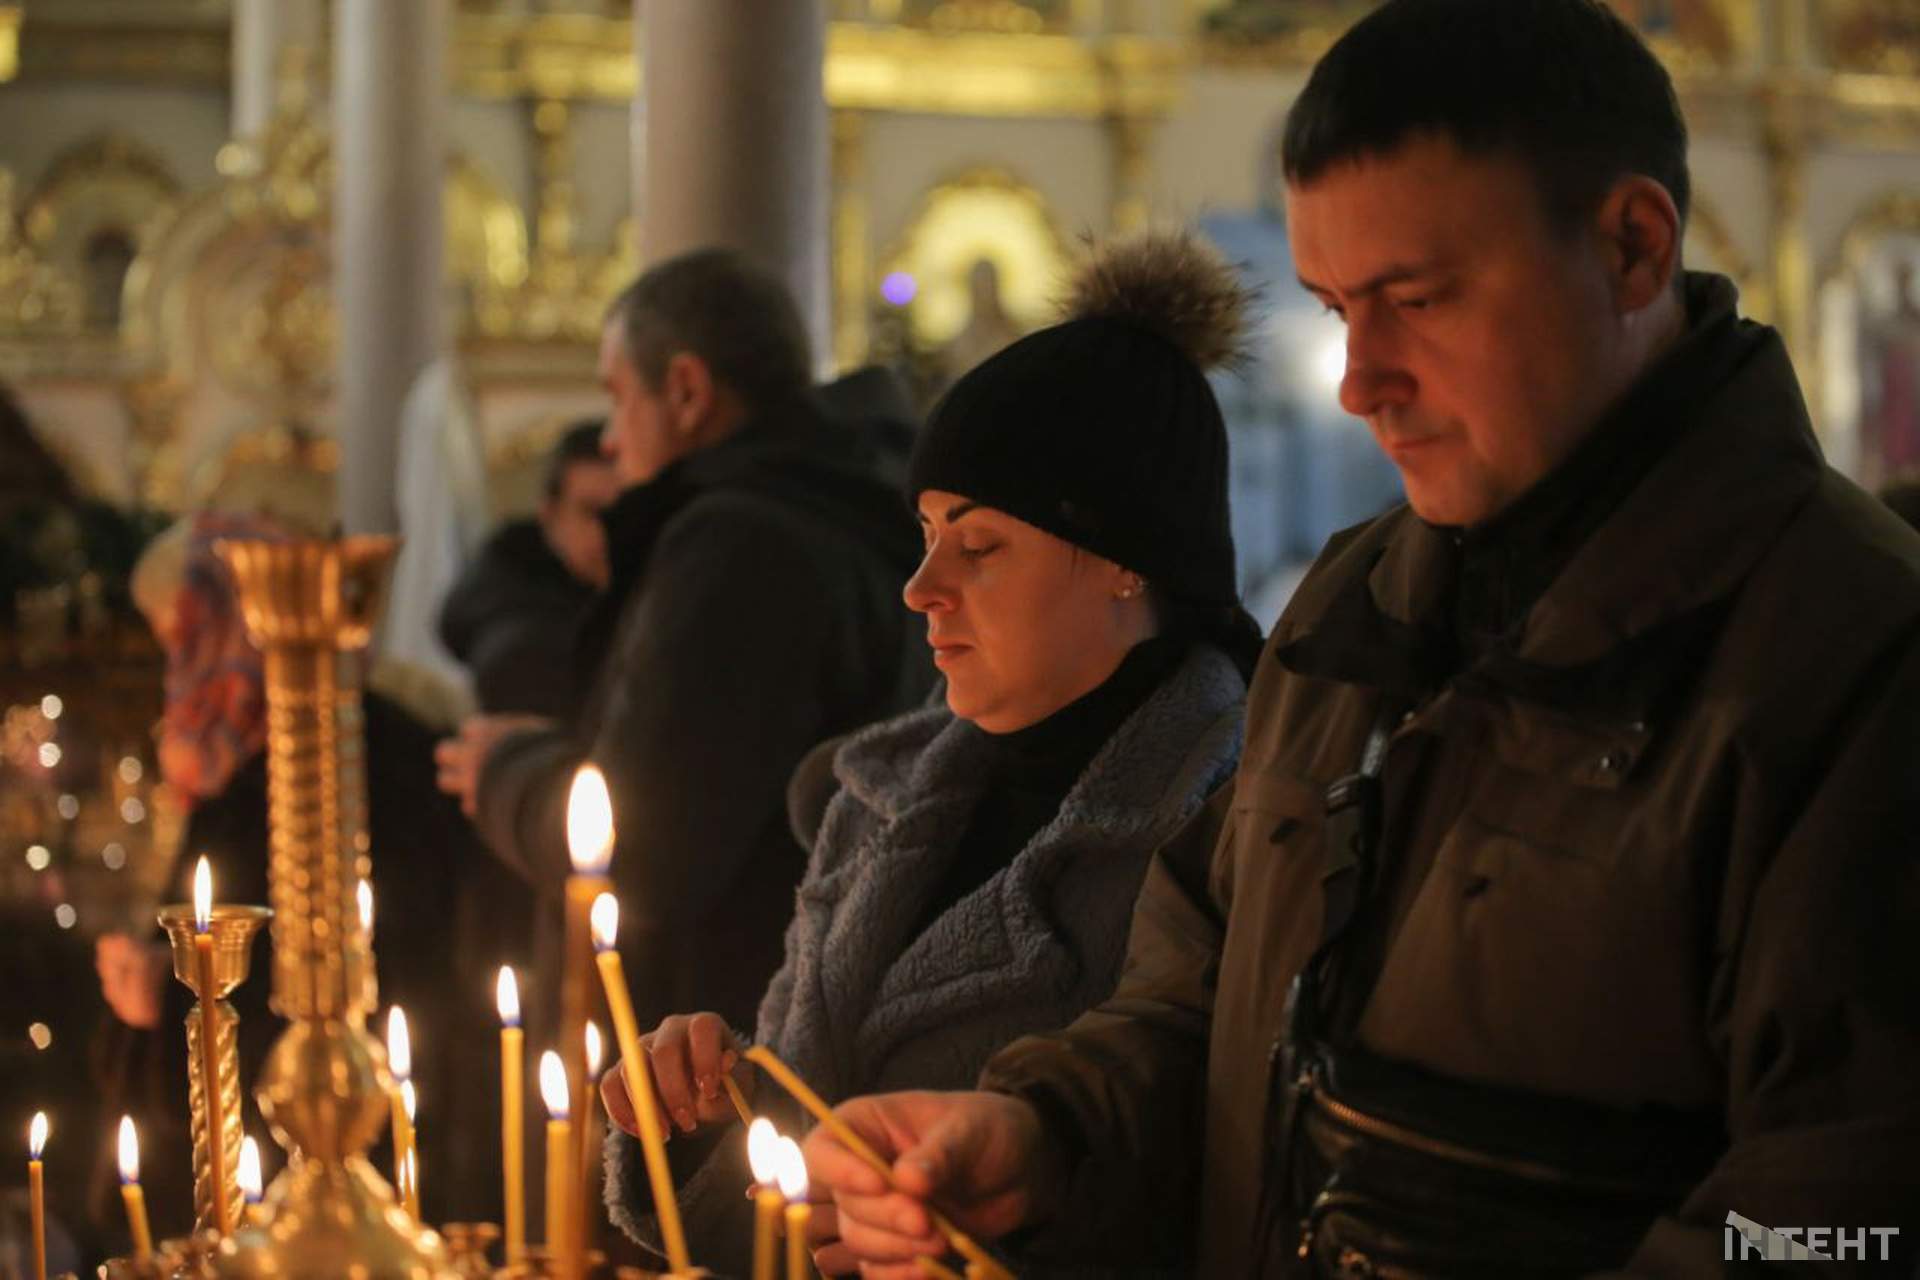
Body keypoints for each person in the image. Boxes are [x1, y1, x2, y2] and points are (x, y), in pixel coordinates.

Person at [803, 3, 1920, 1276]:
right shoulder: (1355, 601)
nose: (1358, 379)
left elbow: (1844, 1212)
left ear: (1630, 249)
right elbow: (1203, 989)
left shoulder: (1855, 656)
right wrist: (1043, 1128)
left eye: (1418, 299)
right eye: (1339, 305)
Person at [596, 231, 1262, 1277]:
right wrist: (699, 1109)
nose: (921, 587)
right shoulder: (876, 794)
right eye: (926, 533)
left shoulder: (1224, 825)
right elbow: (781, 1178)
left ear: (1129, 562)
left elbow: (1200, 1185)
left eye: (981, 545)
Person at [434, 248, 931, 1043]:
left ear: (688, 391)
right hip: (809, 1007)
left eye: (618, 396)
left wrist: (504, 775)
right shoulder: (843, 509)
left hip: (722, 1036)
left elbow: (645, 848)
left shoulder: (740, 544)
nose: (608, 437)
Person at [95, 512, 526, 1233]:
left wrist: (159, 1007)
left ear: (232, 628)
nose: (175, 670)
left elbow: (325, 993)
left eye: (180, 639)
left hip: (328, 1176)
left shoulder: (321, 770)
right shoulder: (262, 760)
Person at [440, 419, 620, 718]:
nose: (611, 531)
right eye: (592, 513)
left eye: (623, 510)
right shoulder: (515, 618)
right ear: (550, 514)